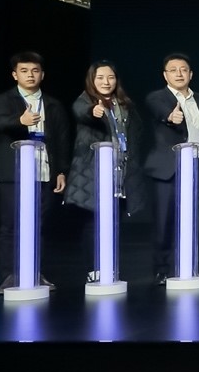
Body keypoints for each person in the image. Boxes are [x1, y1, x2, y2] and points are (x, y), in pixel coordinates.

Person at [0, 52, 72, 294]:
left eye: (35, 71)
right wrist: (21, 121)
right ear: (14, 74)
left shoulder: (53, 104)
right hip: (13, 175)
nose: (30, 75)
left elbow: (62, 140)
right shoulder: (4, 100)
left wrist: (61, 171)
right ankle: (9, 276)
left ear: (42, 75)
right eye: (24, 71)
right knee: (10, 226)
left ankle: (35, 272)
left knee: (38, 226)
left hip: (44, 173)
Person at [64, 61, 149, 282]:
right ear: (92, 80)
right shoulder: (85, 101)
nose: (106, 82)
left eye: (110, 77)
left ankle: (110, 266)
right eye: (100, 77)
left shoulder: (125, 105)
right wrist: (94, 111)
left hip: (120, 173)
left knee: (114, 223)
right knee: (93, 223)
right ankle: (94, 269)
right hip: (94, 173)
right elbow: (81, 112)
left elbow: (137, 131)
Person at [144, 53, 199, 286]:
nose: (179, 74)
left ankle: (189, 265)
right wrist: (170, 116)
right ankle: (161, 269)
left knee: (194, 220)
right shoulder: (157, 97)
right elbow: (161, 112)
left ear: (191, 74)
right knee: (164, 221)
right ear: (165, 75)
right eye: (173, 70)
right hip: (169, 168)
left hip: (197, 165)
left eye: (183, 70)